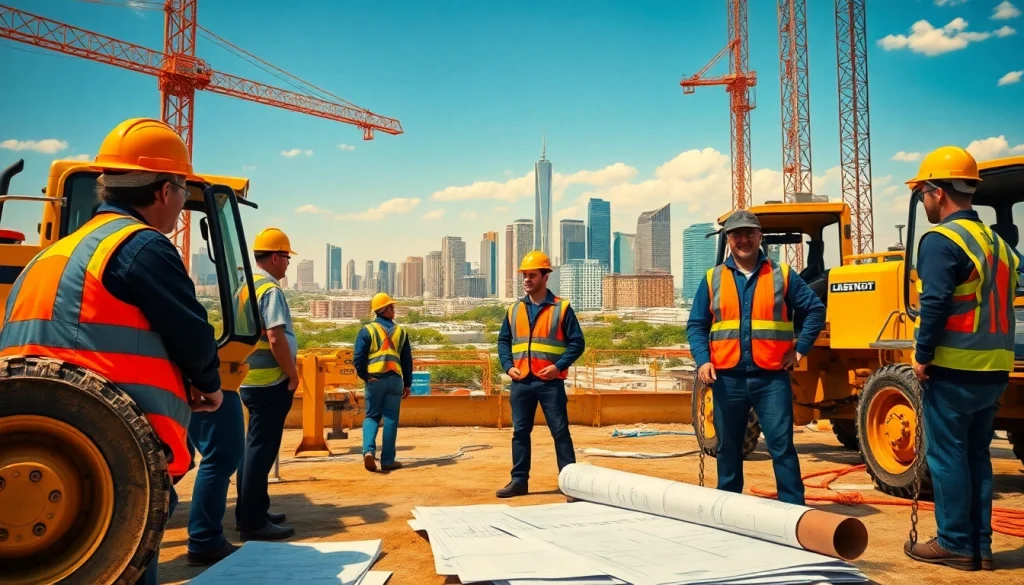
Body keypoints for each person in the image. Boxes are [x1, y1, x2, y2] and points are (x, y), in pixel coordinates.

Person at [0, 118, 224, 585]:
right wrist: (208, 385)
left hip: (31, 447)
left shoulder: (48, 257)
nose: (181, 205)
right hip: (113, 459)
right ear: (165, 191)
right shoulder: (141, 247)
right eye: (183, 191)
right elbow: (192, 334)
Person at [902, 146, 1018, 572]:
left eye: (922, 194)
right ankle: (980, 547)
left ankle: (954, 543)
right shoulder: (998, 244)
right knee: (976, 456)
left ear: (937, 192)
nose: (923, 202)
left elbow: (934, 303)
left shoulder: (941, 240)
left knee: (947, 456)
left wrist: (922, 356)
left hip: (954, 368)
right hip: (995, 368)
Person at [686, 210, 825, 506]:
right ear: (728, 239)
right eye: (736, 235)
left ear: (759, 236)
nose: (743, 240)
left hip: (770, 377)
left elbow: (815, 310)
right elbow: (696, 325)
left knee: (782, 447)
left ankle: (792, 510)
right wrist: (703, 360)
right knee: (728, 448)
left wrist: (800, 349)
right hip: (727, 378)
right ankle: (727, 509)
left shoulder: (781, 274)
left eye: (749, 233)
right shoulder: (712, 278)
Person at [495, 250, 586, 498]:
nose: (527, 280)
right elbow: (503, 341)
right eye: (524, 275)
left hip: (550, 382)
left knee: (560, 432)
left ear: (545, 277)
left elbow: (577, 343)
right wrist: (508, 366)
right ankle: (519, 482)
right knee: (520, 433)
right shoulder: (514, 309)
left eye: (532, 275)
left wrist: (558, 366)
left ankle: (571, 483)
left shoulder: (561, 308)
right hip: (521, 381)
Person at [234, 228, 299, 541]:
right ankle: (252, 523)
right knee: (261, 451)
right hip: (271, 381)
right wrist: (292, 374)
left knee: (252, 449)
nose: (287, 264)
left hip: (248, 379)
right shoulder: (270, 290)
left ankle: (252, 511)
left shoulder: (245, 286)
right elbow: (275, 337)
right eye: (286, 257)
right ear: (275, 257)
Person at [353, 292, 413, 472]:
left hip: (375, 379)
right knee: (391, 420)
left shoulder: (367, 330)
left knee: (372, 416)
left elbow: (358, 358)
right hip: (395, 380)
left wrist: (366, 377)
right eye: (392, 307)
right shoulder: (401, 331)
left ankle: (368, 452)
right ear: (384, 309)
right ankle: (387, 461)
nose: (394, 310)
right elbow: (407, 361)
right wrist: (407, 384)